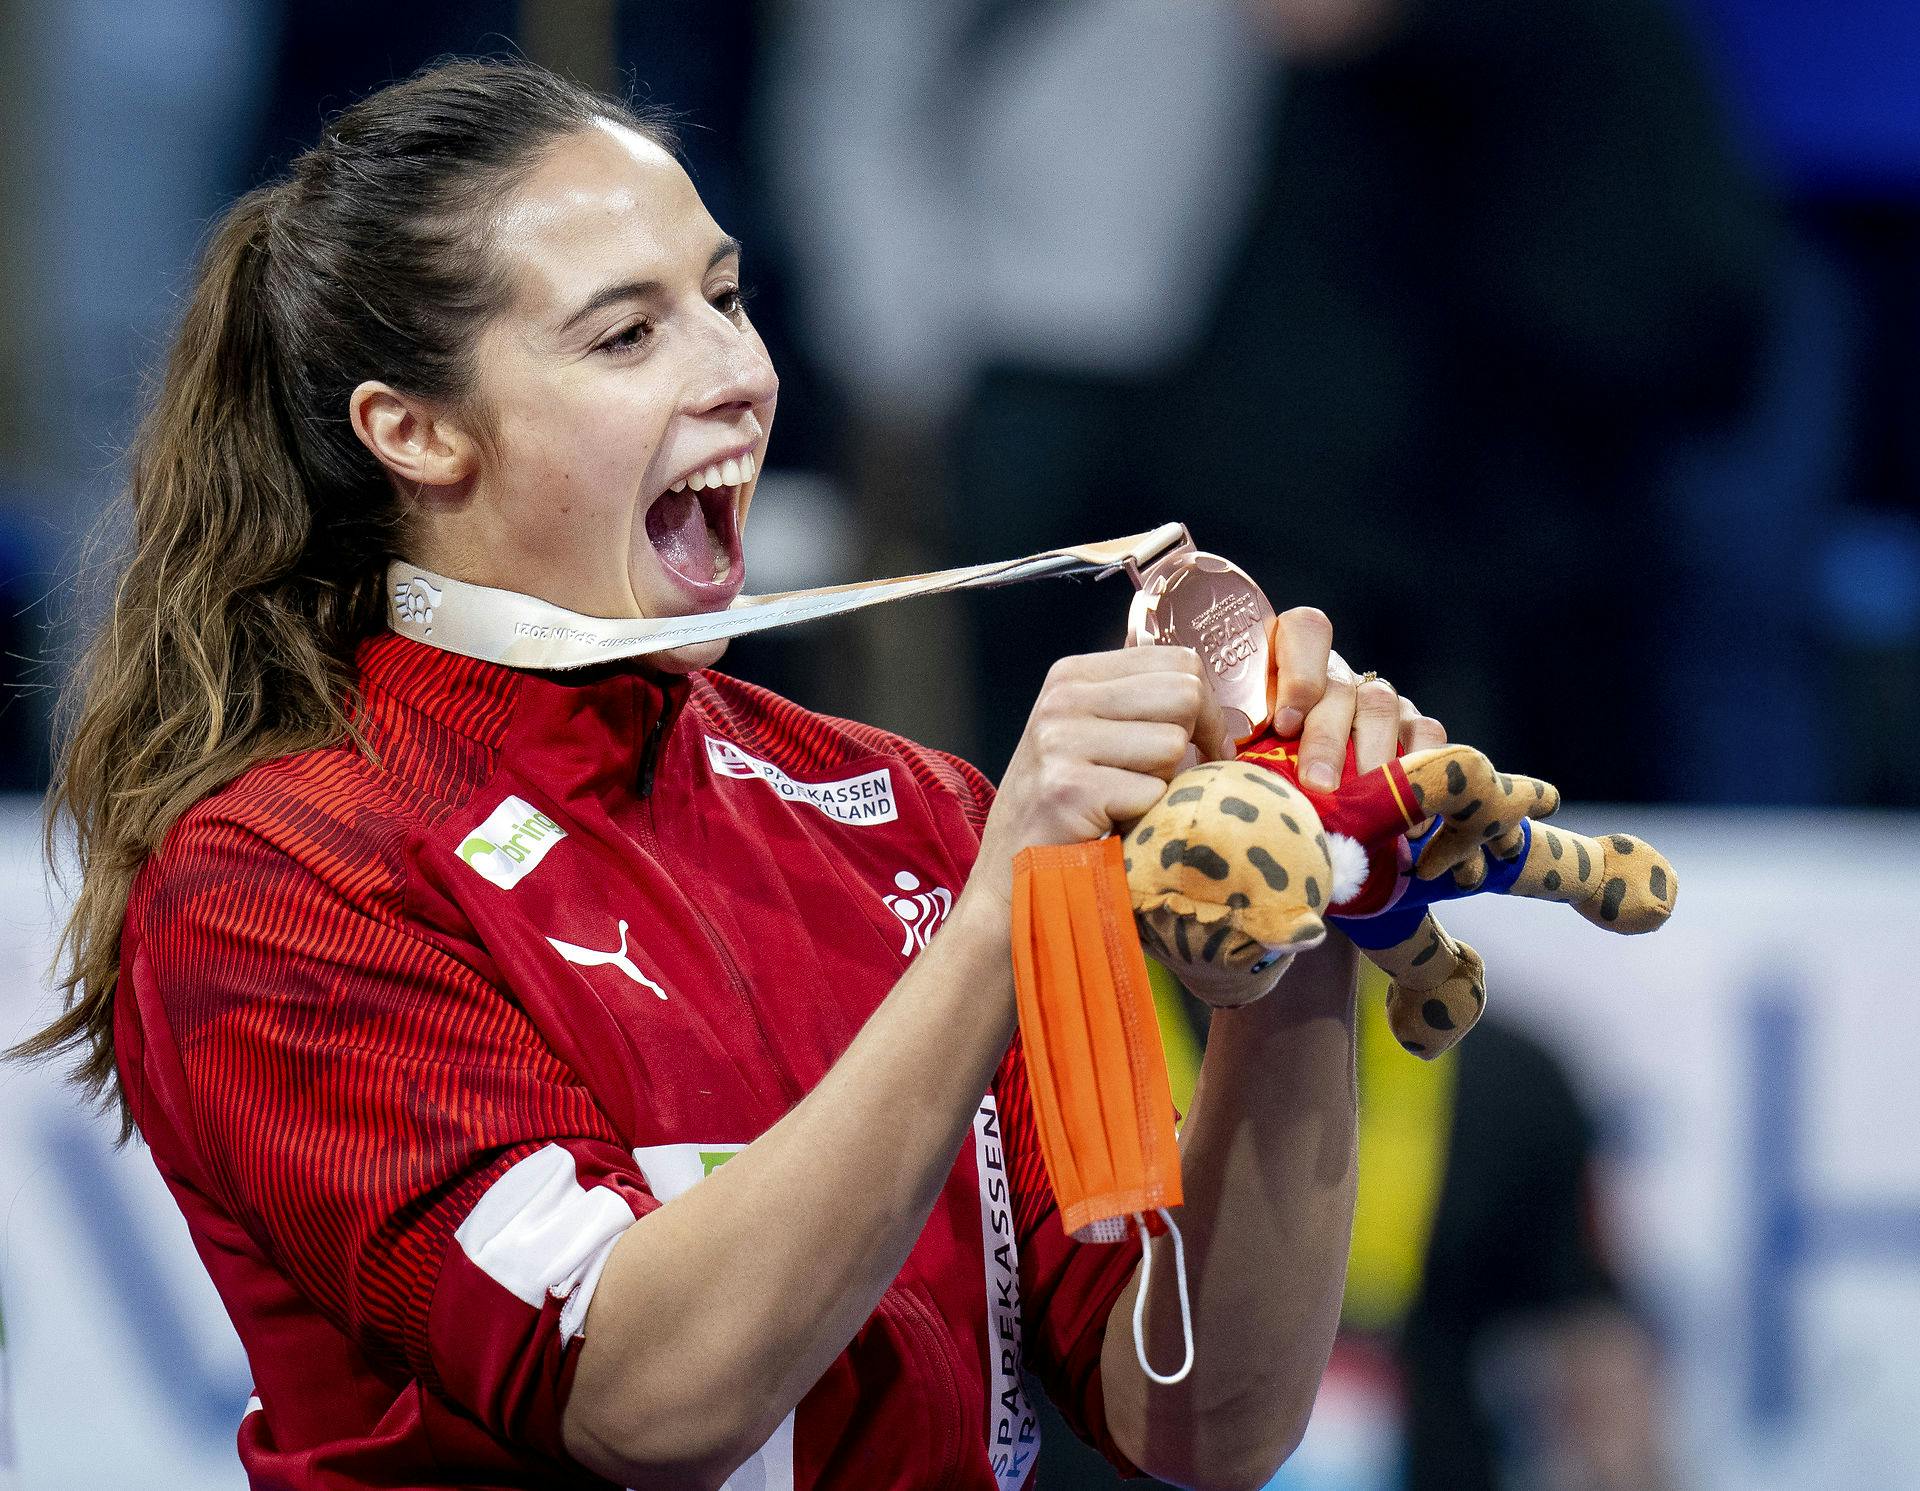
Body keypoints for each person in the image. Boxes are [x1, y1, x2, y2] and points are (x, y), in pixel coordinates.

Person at [15, 60, 1446, 1488]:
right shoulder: (280, 878)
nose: (742, 375)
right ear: (416, 431)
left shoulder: (909, 811)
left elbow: (1197, 1420)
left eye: (726, 297)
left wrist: (1294, 930)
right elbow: (646, 1401)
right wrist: (1007, 916)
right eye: (627, 337)